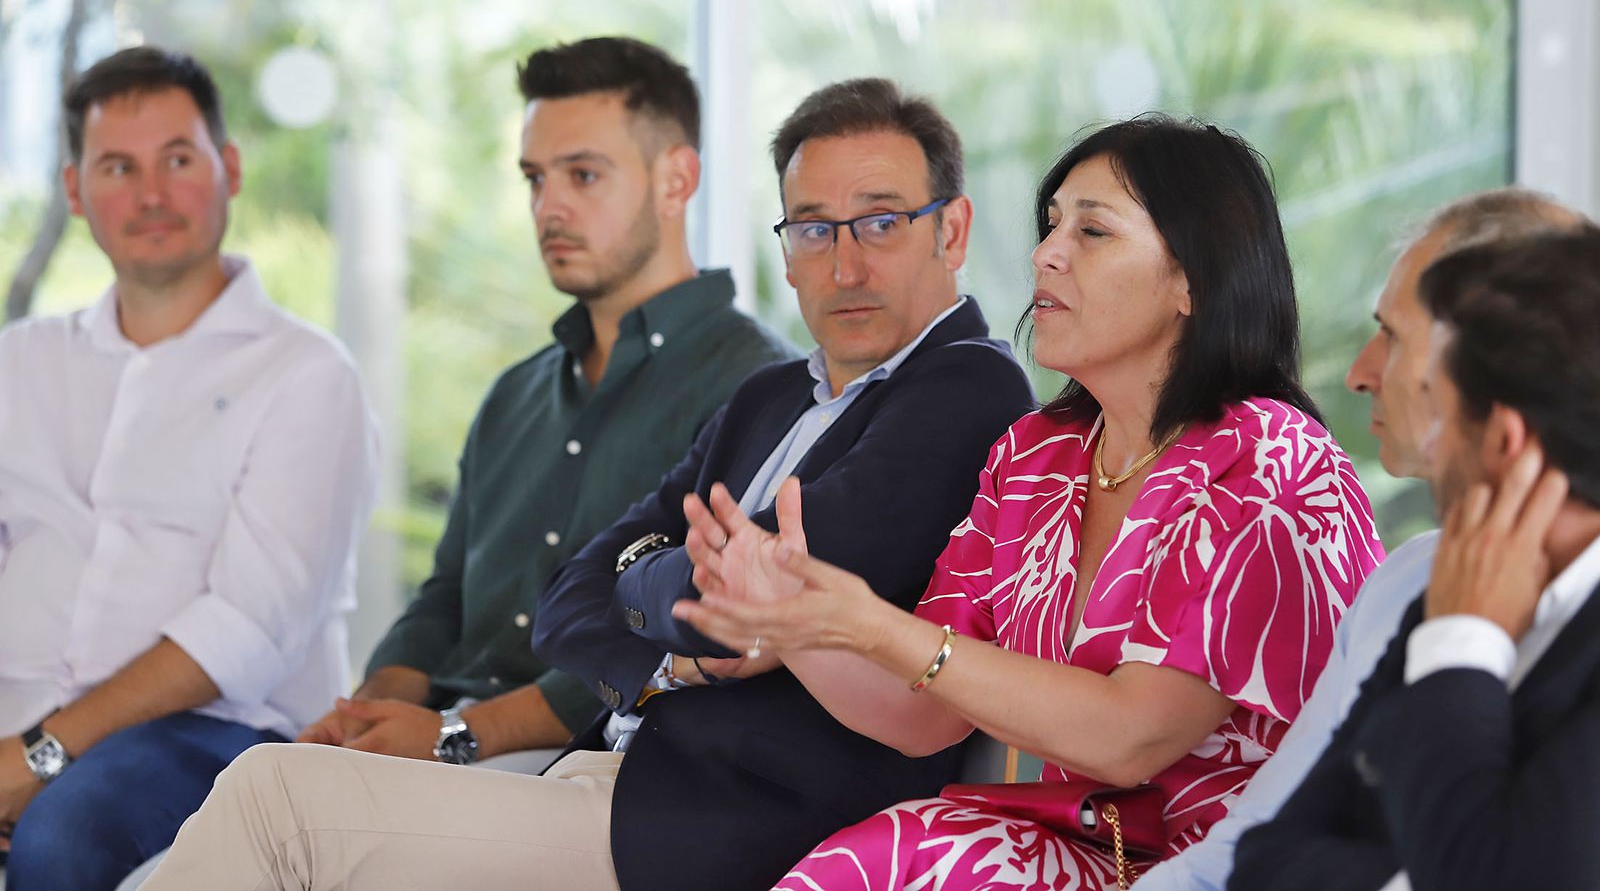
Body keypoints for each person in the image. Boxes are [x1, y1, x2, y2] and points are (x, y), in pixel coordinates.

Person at [141, 77, 1037, 891]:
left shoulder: (968, 386)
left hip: (733, 823)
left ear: (951, 231)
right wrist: (681, 633)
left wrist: (666, 577)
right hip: (613, 779)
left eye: (881, 223)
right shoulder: (767, 398)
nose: (845, 266)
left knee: (276, 799)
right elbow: (572, 593)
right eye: (813, 228)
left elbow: (755, 582)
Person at [673, 115, 1386, 890]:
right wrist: (800, 622)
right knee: (887, 855)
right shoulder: (1035, 455)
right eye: (1052, 226)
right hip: (1099, 857)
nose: (1047, 253)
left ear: (1192, 279)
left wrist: (873, 624)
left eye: (1093, 231)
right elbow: (921, 716)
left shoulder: (1272, 458)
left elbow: (1131, 737)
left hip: (1258, 870)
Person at [294, 36, 792, 769]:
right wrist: (368, 715)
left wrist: (453, 735)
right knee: (264, 783)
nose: (548, 207)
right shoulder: (515, 395)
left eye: (583, 175)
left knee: (259, 799)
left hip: (604, 760)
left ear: (676, 179)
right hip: (449, 745)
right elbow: (446, 596)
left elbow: (688, 632)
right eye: (534, 178)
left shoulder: (758, 388)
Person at [0, 46, 379, 891]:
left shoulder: (307, 376)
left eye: (177, 159)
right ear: (74, 191)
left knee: (63, 840)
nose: (151, 194)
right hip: (17, 720)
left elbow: (244, 629)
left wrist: (40, 754)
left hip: (215, 733)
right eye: (118, 167)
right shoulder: (19, 363)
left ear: (229, 169)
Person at [1133, 188, 1586, 891]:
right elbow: (1261, 855)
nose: (1359, 374)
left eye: (1396, 338)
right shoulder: (1419, 584)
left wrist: (1462, 641)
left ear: (1503, 433)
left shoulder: (1448, 610)